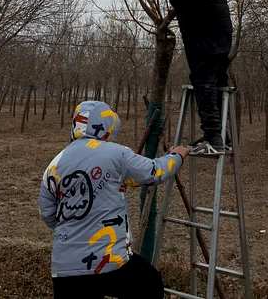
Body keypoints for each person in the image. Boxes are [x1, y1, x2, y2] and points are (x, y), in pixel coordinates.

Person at [38, 100, 189, 299]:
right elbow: (154, 171)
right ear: (105, 126)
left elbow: (48, 215)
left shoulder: (54, 165)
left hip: (64, 268)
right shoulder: (116, 153)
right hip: (108, 261)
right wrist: (177, 156)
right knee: (149, 282)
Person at [121, 0, 233, 154]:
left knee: (202, 73)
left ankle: (213, 139)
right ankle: (223, 136)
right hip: (219, 13)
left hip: (198, 14)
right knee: (217, 73)